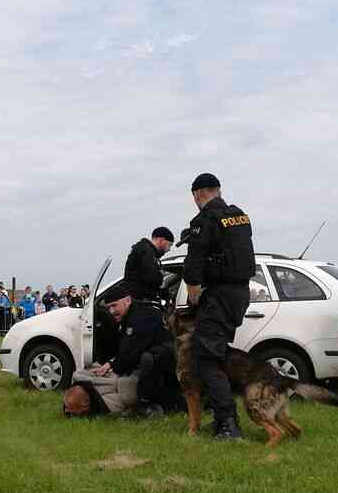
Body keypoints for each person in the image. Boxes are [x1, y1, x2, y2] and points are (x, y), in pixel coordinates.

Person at [182, 172, 255, 439]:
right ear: (218, 190)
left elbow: (194, 267)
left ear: (198, 194)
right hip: (240, 293)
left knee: (206, 359)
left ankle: (228, 424)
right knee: (217, 353)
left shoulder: (204, 221)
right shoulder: (239, 216)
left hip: (219, 296)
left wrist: (194, 298)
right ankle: (221, 417)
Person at [90, 281, 178, 417]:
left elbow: (133, 350)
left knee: (148, 358)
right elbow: (124, 347)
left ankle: (145, 405)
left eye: (114, 305)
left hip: (168, 359)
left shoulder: (142, 316)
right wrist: (110, 363)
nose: (111, 311)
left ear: (128, 301)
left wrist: (114, 365)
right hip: (153, 356)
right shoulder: (128, 316)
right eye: (108, 308)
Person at [124, 226, 175, 303]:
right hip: (140, 302)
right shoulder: (146, 251)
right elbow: (152, 278)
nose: (169, 249)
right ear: (161, 240)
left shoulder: (145, 250)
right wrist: (161, 276)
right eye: (170, 245)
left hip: (140, 300)